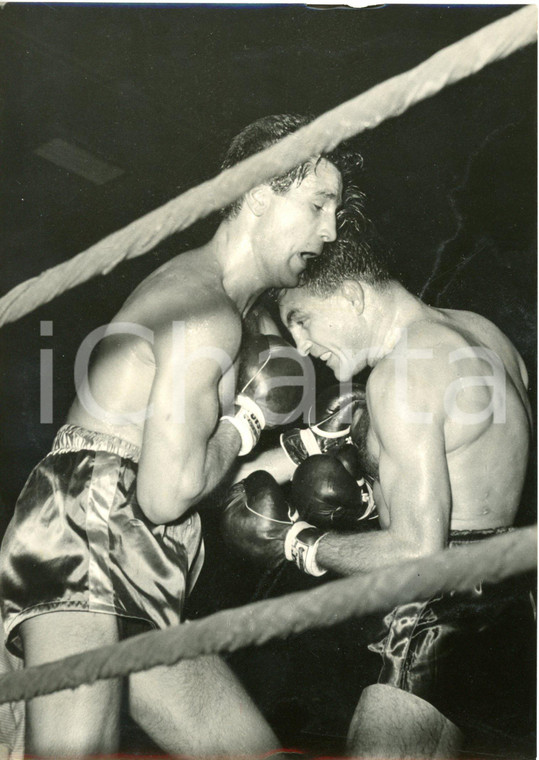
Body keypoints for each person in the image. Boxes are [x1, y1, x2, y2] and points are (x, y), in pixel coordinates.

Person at [0, 114, 363, 756]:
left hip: (139, 548)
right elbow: (167, 494)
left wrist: (303, 449)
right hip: (85, 534)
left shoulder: (225, 311)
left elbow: (182, 479)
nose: (330, 232)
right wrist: (250, 417)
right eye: (317, 205)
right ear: (257, 195)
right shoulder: (204, 314)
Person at [223, 233, 536, 758]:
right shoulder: (483, 332)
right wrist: (366, 492)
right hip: (510, 603)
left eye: (301, 318)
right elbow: (477, 469)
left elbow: (419, 553)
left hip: (441, 609)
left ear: (351, 295)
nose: (301, 345)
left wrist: (298, 543)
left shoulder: (401, 377)